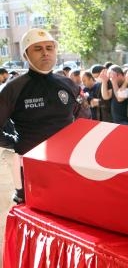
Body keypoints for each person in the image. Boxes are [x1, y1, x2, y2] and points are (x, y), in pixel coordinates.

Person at [0, 28, 90, 203]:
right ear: (26, 55)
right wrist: (15, 143)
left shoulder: (68, 84)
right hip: (31, 168)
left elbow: (85, 116)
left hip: (66, 165)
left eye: (50, 48)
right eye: (38, 49)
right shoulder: (13, 89)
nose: (45, 53)